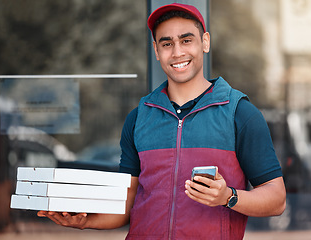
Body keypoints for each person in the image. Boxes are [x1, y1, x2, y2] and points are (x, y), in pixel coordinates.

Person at [38, 3, 286, 239]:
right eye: (167, 43)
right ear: (156, 51)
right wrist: (85, 221)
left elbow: (277, 199)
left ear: (205, 42)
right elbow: (128, 204)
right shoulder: (139, 118)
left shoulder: (240, 114)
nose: (177, 52)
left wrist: (228, 197)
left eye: (186, 40)